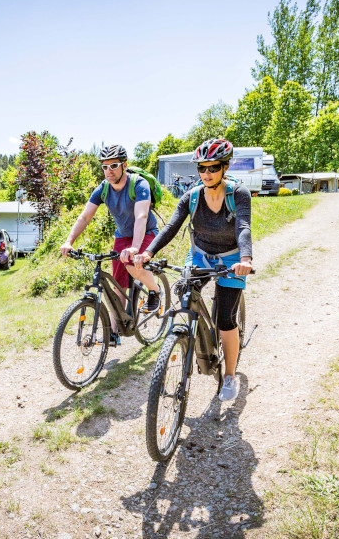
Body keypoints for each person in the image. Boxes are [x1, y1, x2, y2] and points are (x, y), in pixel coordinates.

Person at [134, 138, 252, 401]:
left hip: (231, 259)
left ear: (225, 167)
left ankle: (230, 375)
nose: (206, 174)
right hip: (199, 256)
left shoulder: (238, 194)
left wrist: (245, 258)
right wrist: (148, 252)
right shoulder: (192, 196)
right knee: (186, 297)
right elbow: (171, 227)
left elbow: (243, 227)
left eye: (212, 168)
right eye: (202, 168)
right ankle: (192, 340)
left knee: (225, 320)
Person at [60, 144, 161, 346]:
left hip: (147, 233)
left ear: (124, 165)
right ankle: (114, 332)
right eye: (104, 167)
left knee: (134, 265)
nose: (108, 171)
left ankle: (155, 291)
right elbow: (85, 216)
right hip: (122, 236)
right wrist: (69, 241)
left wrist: (135, 247)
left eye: (113, 165)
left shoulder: (139, 184)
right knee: (118, 283)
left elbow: (141, 216)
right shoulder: (103, 189)